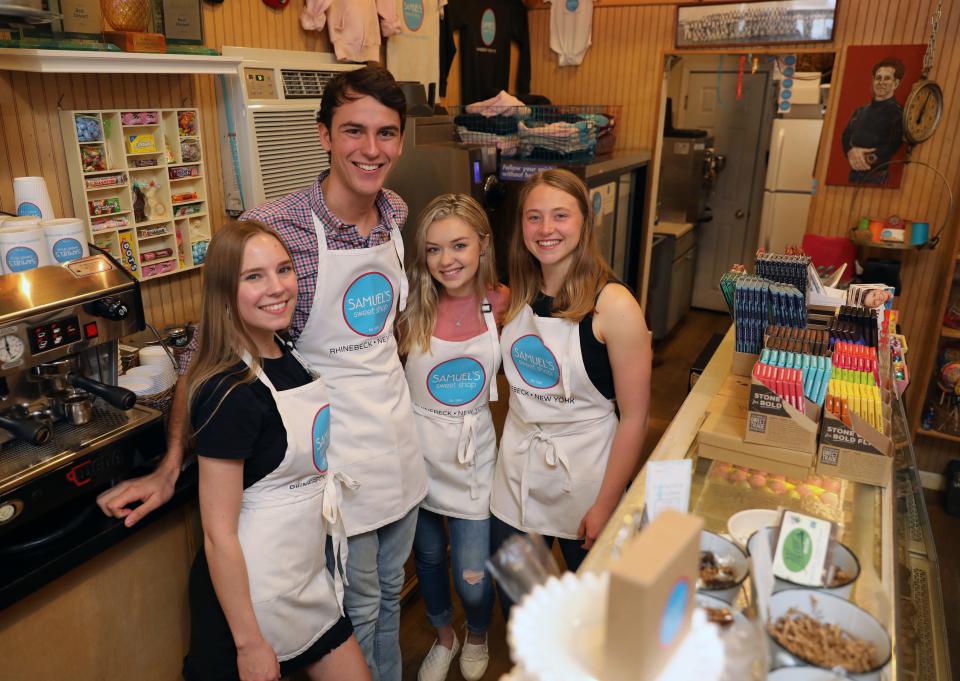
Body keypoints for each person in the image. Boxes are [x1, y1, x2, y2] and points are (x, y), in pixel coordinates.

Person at [98, 66, 427, 681]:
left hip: (397, 450)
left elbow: (389, 332)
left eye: (386, 134)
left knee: (388, 596)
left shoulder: (395, 214)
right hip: (325, 465)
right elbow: (206, 353)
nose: (371, 149)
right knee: (349, 613)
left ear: (401, 141)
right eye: (354, 131)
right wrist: (171, 468)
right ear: (324, 134)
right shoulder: (279, 229)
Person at [181, 220, 368, 681]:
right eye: (254, 276)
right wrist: (248, 644)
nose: (277, 287)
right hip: (249, 601)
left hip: (303, 579)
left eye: (283, 270)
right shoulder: (229, 391)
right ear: (225, 292)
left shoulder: (286, 354)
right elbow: (218, 534)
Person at [489, 169, 651, 606]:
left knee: (594, 611)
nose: (546, 229)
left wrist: (606, 504)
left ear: (584, 222)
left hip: (586, 479)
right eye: (534, 217)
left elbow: (635, 417)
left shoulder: (614, 305)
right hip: (516, 475)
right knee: (519, 605)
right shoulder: (516, 293)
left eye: (560, 215)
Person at [397, 195, 508, 681]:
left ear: (483, 244)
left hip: (473, 454)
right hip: (416, 453)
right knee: (426, 558)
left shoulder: (502, 302)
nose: (447, 260)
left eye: (459, 245)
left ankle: (478, 630)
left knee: (472, 569)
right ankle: (445, 636)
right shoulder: (409, 306)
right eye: (434, 249)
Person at [841, 57, 905, 185]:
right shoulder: (860, 111)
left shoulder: (899, 114)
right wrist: (851, 151)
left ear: (896, 83)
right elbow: (845, 136)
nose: (881, 82)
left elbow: (892, 146)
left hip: (877, 177)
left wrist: (866, 158)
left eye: (887, 78)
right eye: (878, 78)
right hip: (854, 174)